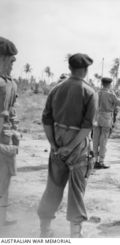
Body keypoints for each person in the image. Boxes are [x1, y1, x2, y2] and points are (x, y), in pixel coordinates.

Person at [37, 53, 96, 238]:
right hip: (78, 143)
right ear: (86, 70)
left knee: (53, 186)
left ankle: (44, 230)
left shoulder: (56, 89)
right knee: (77, 190)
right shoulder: (90, 92)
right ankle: (75, 234)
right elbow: (87, 127)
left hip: (57, 137)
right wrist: (70, 147)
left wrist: (54, 144)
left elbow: (46, 119)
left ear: (69, 69)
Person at [0, 36, 19, 227]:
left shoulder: (11, 83)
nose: (13, 63)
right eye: (10, 59)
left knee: (4, 179)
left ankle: (2, 218)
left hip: (6, 138)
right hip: (3, 138)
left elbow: (12, 112)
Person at [92, 77, 120, 169]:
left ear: (102, 84)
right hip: (106, 117)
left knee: (95, 139)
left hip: (96, 117)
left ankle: (94, 160)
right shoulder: (110, 94)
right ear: (109, 84)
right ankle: (101, 161)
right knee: (103, 140)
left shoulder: (96, 93)